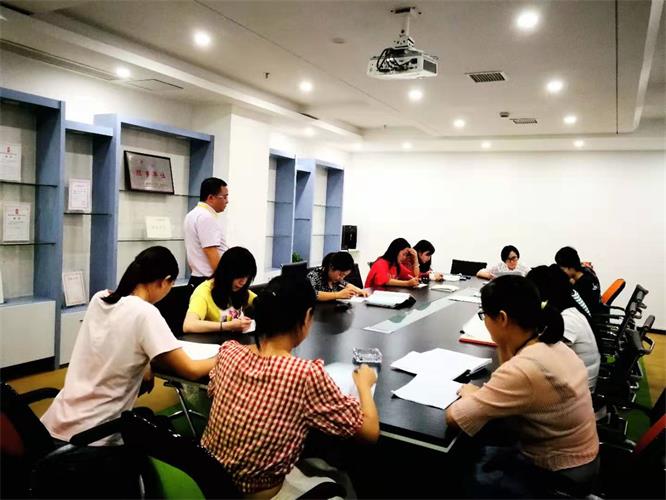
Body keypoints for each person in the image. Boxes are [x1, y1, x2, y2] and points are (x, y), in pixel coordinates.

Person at [40, 247, 215, 496]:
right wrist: (225, 354)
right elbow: (191, 369)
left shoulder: (100, 299)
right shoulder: (146, 313)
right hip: (95, 440)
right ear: (164, 281)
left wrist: (146, 364)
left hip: (54, 425)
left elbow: (113, 343)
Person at [201, 275, 379, 497]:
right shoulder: (304, 374)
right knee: (341, 482)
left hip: (208, 481)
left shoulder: (229, 352)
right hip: (256, 492)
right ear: (307, 317)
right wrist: (364, 385)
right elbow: (370, 432)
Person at [446, 275, 599, 498]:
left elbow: (455, 417)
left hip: (558, 472)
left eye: (484, 315)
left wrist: (472, 395)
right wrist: (503, 342)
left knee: (461, 473)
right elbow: (511, 378)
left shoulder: (524, 369)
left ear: (502, 318)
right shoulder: (551, 344)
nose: (484, 321)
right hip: (583, 460)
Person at [526, 265, 600, 390]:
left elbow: (540, 360)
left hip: (578, 391)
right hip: (576, 382)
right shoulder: (569, 309)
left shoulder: (566, 321)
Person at [183, 246, 257, 334]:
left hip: (235, 340)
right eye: (239, 276)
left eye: (247, 277)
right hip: (212, 340)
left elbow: (262, 302)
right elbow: (188, 325)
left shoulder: (241, 290)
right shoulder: (204, 292)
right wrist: (227, 326)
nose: (243, 282)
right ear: (226, 273)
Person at [184, 177, 229, 288]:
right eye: (224, 197)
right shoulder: (206, 217)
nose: (227, 201)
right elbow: (210, 250)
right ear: (211, 198)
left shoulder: (192, 214)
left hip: (198, 276)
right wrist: (222, 281)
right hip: (209, 279)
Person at [555, 246, 602, 314]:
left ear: (570, 267)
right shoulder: (587, 271)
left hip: (590, 316)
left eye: (562, 269)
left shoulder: (584, 283)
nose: (562, 272)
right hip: (596, 310)